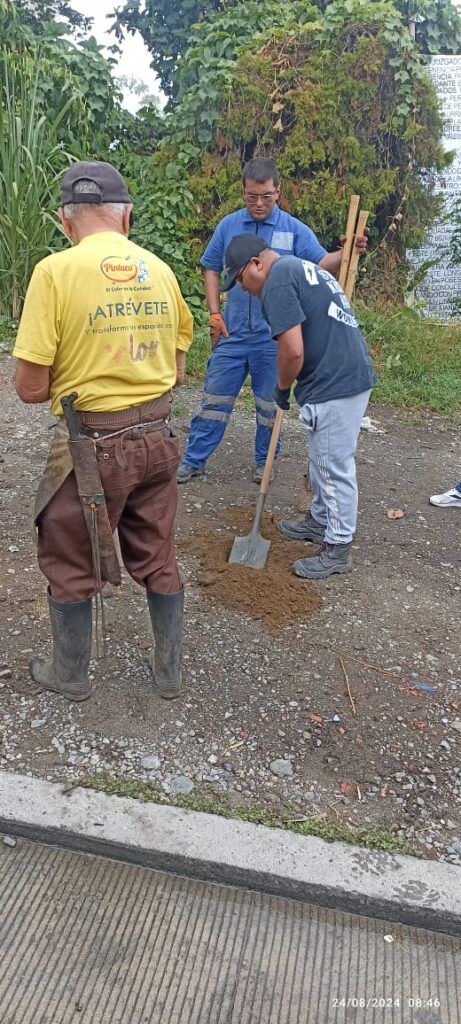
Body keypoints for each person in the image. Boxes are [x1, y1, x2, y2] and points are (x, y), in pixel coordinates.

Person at [13, 160, 193, 702]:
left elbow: (28, 388)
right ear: (126, 217)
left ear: (66, 221)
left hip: (91, 446)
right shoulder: (160, 270)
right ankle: (169, 674)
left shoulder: (55, 272)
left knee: (70, 553)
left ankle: (70, 674)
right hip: (158, 438)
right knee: (157, 552)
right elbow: (178, 368)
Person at [177, 157, 367, 484]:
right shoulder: (229, 226)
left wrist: (349, 251)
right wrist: (214, 313)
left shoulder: (293, 229)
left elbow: (321, 264)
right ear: (244, 192)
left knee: (270, 406)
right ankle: (194, 459)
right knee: (214, 400)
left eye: (266, 196)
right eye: (252, 196)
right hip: (232, 333)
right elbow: (210, 267)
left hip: (273, 337)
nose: (259, 203)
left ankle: (264, 465)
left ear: (277, 191)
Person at [222, 234, 377, 579]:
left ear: (256, 264)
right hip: (343, 373)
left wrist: (281, 388)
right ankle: (319, 521)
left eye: (240, 280)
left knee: (332, 466)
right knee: (320, 458)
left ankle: (338, 549)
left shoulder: (277, 282)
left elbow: (292, 350)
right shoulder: (299, 267)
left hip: (335, 381)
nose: (242, 289)